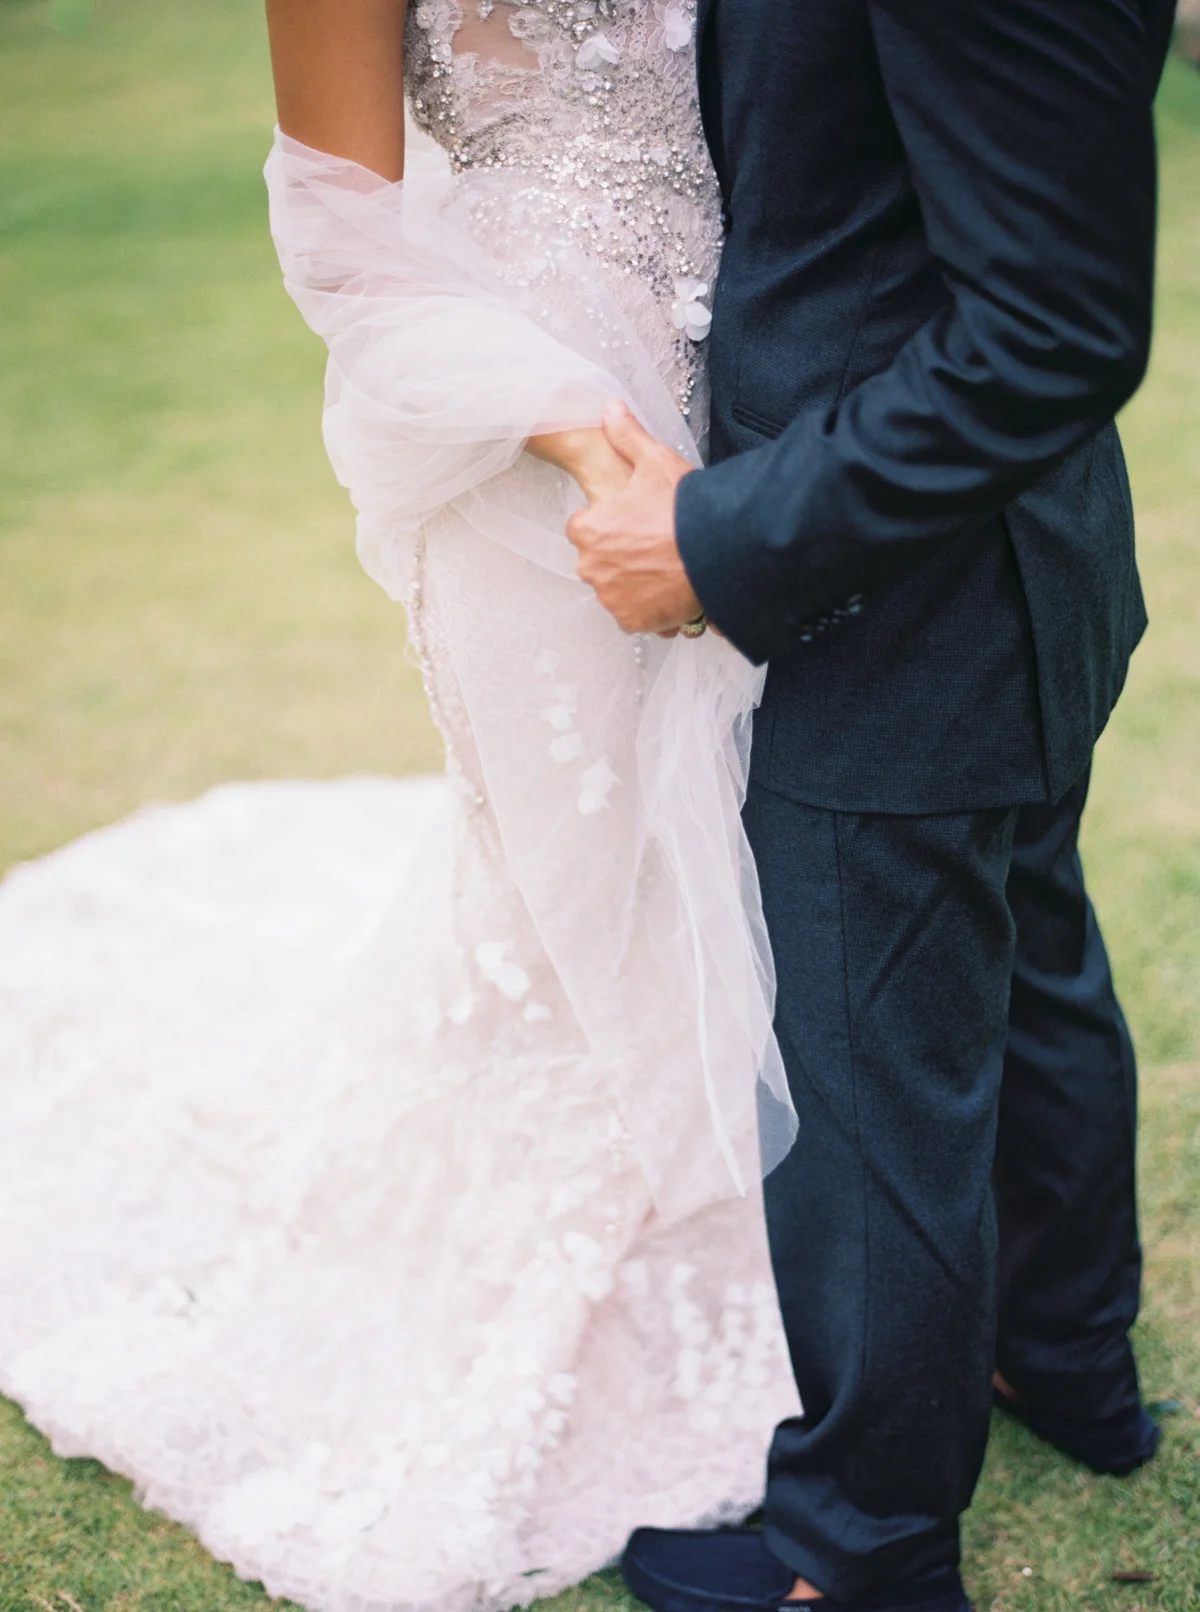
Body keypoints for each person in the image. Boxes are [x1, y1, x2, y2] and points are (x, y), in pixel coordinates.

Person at [0, 1, 808, 1608]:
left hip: (785, 380)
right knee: (578, 883)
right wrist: (585, 432)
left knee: (754, 845)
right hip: (533, 433)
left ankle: (823, 1267)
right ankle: (610, 1279)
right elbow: (339, 225)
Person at [562, 1, 1178, 1609]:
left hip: (895, 606)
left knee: (872, 1078)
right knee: (1030, 960)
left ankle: (867, 1547)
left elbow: (1053, 325)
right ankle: (1061, 1359)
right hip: (996, 570)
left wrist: (723, 544)